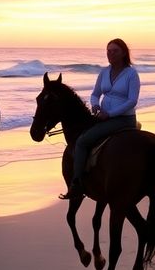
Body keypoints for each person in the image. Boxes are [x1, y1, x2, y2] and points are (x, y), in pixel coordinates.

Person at [60, 38, 140, 200]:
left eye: (114, 51)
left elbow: (132, 100)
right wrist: (95, 105)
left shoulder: (131, 74)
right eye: (108, 50)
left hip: (123, 119)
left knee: (82, 141)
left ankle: (76, 184)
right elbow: (95, 94)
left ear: (124, 53)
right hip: (103, 117)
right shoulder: (104, 72)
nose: (110, 54)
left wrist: (110, 114)